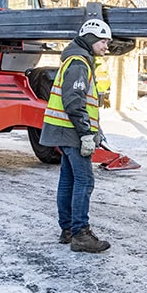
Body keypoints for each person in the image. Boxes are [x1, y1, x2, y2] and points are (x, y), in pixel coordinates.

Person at [39, 18, 112, 253]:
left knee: (69, 180)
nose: (106, 47)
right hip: (72, 131)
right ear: (91, 39)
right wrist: (85, 134)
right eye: (103, 41)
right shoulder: (80, 63)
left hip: (64, 130)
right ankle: (80, 233)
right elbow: (74, 103)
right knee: (84, 180)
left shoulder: (75, 59)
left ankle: (68, 229)